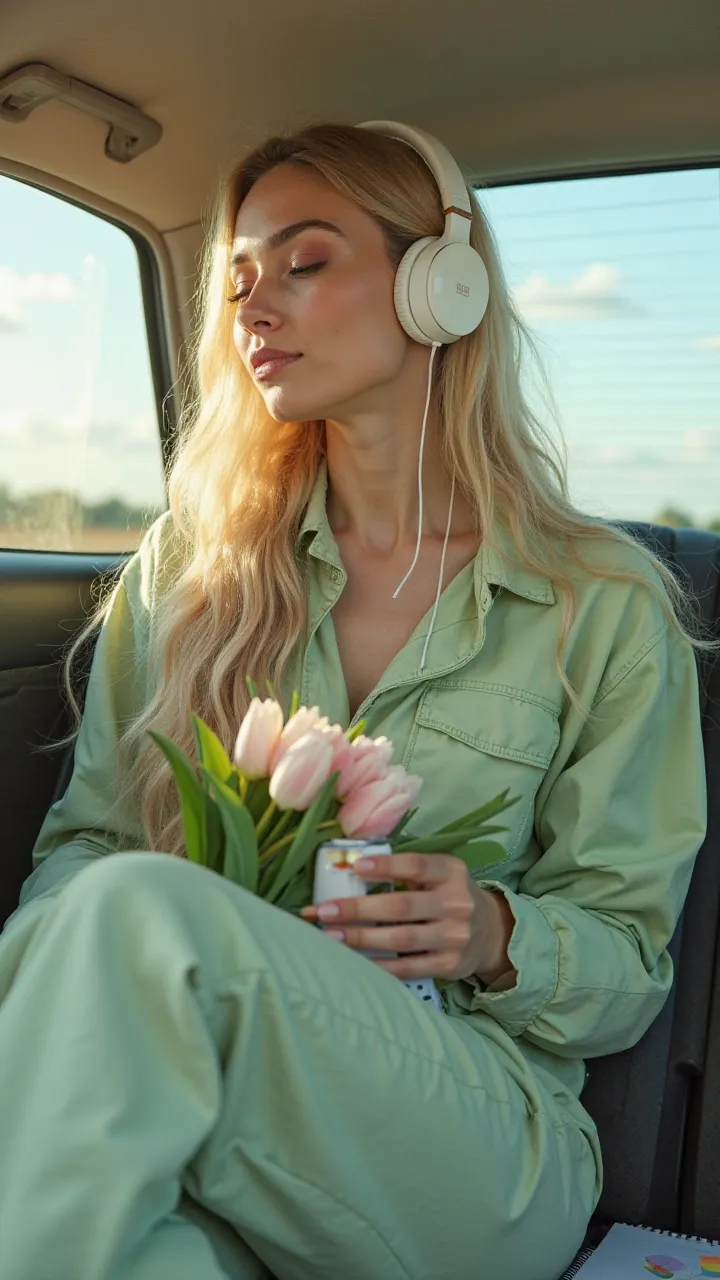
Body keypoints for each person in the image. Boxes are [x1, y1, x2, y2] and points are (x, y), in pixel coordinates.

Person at [0, 121, 707, 1280]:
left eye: (305, 261)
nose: (255, 308)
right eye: (237, 282)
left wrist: (492, 932)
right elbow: (85, 853)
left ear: (441, 285)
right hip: (202, 1090)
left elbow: (630, 962)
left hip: (479, 1126)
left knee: (138, 916)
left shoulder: (602, 604)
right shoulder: (192, 570)